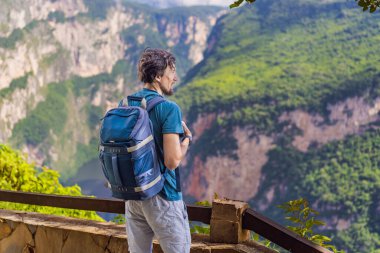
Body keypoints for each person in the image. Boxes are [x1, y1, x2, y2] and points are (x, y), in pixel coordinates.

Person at [124, 48, 192, 253]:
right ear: (157, 76)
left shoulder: (126, 104)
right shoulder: (169, 109)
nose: (175, 78)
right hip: (162, 195)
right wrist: (187, 140)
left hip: (133, 196)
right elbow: (172, 161)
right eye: (171, 73)